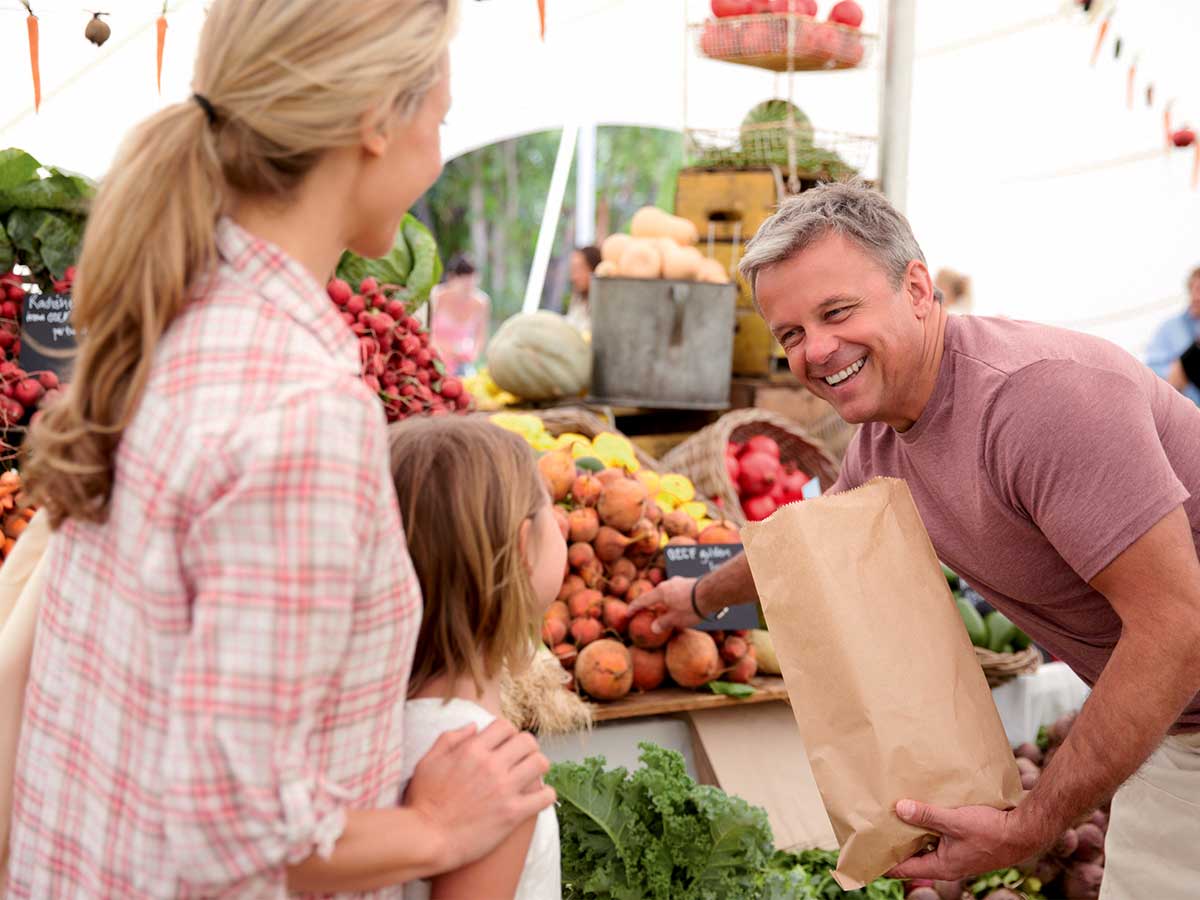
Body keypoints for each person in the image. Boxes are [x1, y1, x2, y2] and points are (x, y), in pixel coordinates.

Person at [5, 1, 554, 896]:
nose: (439, 151)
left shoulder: (174, 322)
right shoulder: (301, 413)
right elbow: (228, 830)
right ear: (376, 119)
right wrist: (433, 827)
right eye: (440, 117)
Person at [630, 180, 1200, 899]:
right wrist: (698, 598)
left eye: (837, 311)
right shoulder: (883, 442)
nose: (816, 350)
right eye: (792, 334)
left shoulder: (1037, 399)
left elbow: (1178, 626)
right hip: (1178, 735)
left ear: (919, 287)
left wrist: (1032, 822)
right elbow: (806, 552)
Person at [387, 416, 566, 900]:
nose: (565, 524)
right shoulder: (492, 773)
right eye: (552, 511)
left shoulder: (383, 731)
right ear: (525, 548)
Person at [1145, 266, 1200, 406]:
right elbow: (1156, 380)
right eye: (1194, 289)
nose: (1197, 296)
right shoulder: (1169, 329)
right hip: (1182, 411)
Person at [429, 253, 491, 375]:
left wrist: (472, 354)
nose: (468, 287)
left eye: (472, 283)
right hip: (434, 357)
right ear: (451, 278)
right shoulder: (436, 296)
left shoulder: (481, 302)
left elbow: (481, 337)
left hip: (462, 362)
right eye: (464, 283)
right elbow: (425, 331)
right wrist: (444, 350)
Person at [563, 245, 601, 336]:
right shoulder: (577, 301)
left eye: (579, 269)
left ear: (594, 268)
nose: (574, 277)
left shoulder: (603, 308)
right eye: (573, 270)